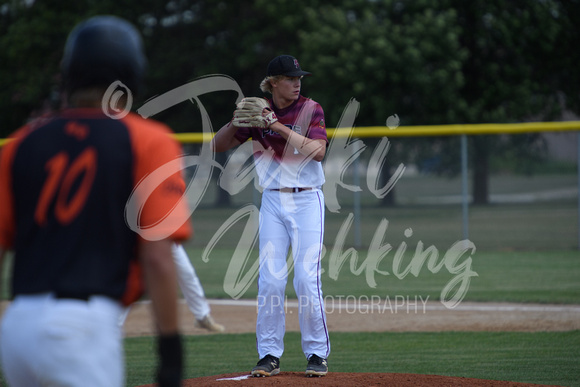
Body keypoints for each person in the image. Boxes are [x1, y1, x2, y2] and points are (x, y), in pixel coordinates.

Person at [0, 16, 191, 387]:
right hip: (82, 329)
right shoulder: (148, 140)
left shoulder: (20, 145)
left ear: (70, 73)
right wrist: (170, 354)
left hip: (18, 327)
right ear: (131, 74)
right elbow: (157, 258)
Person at [211, 54, 330, 377]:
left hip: (307, 201)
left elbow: (318, 152)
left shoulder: (310, 109)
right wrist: (238, 121)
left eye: (299, 78)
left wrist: (274, 125)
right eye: (290, 78)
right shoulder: (257, 111)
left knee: (306, 279)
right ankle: (269, 354)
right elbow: (216, 146)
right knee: (271, 281)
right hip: (273, 201)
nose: (297, 82)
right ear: (273, 82)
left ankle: (317, 354)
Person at [118, 243, 225, 333]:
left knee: (188, 274)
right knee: (134, 280)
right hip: (140, 236)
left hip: (164, 234)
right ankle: (116, 323)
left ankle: (202, 317)